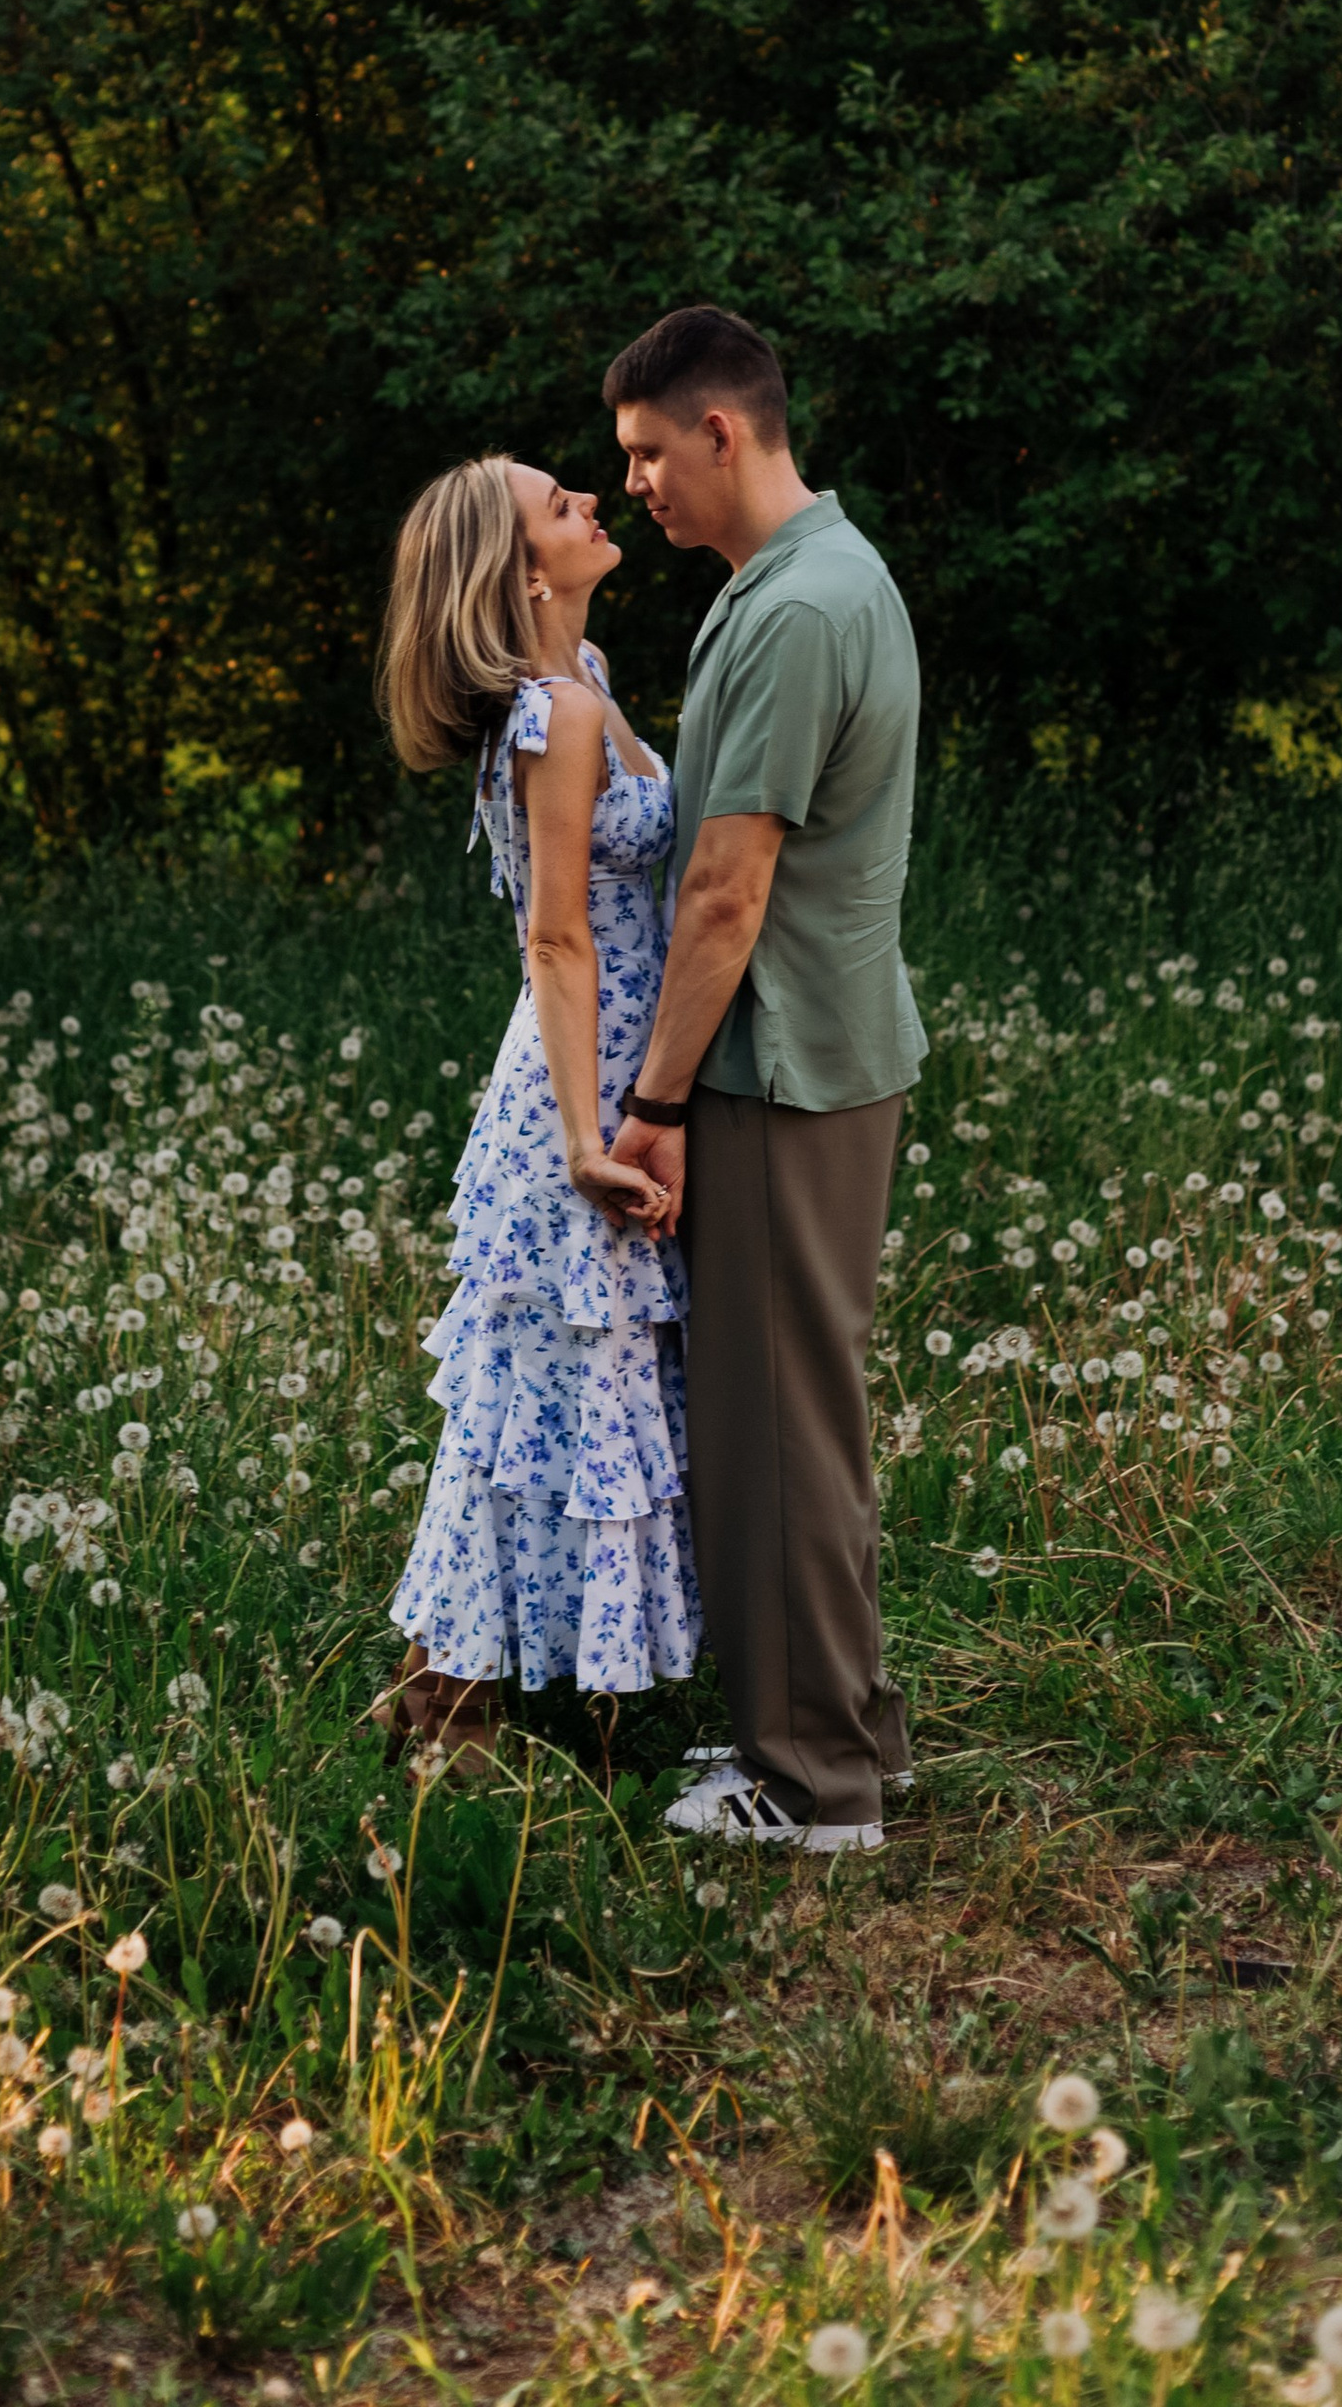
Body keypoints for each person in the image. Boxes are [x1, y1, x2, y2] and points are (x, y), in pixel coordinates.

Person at [604, 306, 924, 1853]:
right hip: (808, 1057)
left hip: (784, 1067)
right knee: (807, 1410)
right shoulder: (792, 583)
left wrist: (652, 1103)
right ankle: (853, 1729)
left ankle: (812, 1787)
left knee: (778, 1426)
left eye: (651, 453)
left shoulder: (803, 609)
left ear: (723, 431)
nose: (638, 486)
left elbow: (729, 890)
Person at [371, 452, 700, 1754]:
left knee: (584, 1392)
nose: (594, 508)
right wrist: (582, 1139)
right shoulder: (551, 717)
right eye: (564, 506)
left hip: (619, 1072)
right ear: (521, 569)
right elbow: (556, 940)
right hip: (573, 1089)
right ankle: (446, 1703)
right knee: (529, 1404)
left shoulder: (590, 680)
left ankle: (583, 1695)